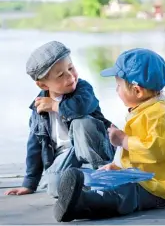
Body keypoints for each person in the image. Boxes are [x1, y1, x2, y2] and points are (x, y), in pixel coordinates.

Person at [53, 48, 165, 222]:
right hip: (143, 179)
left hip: (163, 189)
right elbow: (134, 154)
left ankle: (83, 204)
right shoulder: (142, 110)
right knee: (108, 181)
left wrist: (123, 140)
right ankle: (81, 200)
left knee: (126, 192)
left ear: (137, 91)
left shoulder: (163, 115)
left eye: (118, 86)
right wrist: (116, 166)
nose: (116, 90)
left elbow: (154, 151)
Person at [5, 41, 114, 198]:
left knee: (81, 122)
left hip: (92, 150)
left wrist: (56, 106)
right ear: (43, 85)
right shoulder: (39, 108)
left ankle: (102, 173)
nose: (70, 76)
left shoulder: (83, 89)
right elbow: (35, 146)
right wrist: (29, 183)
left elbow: (81, 108)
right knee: (56, 187)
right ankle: (80, 184)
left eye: (71, 68)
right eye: (60, 75)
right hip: (65, 156)